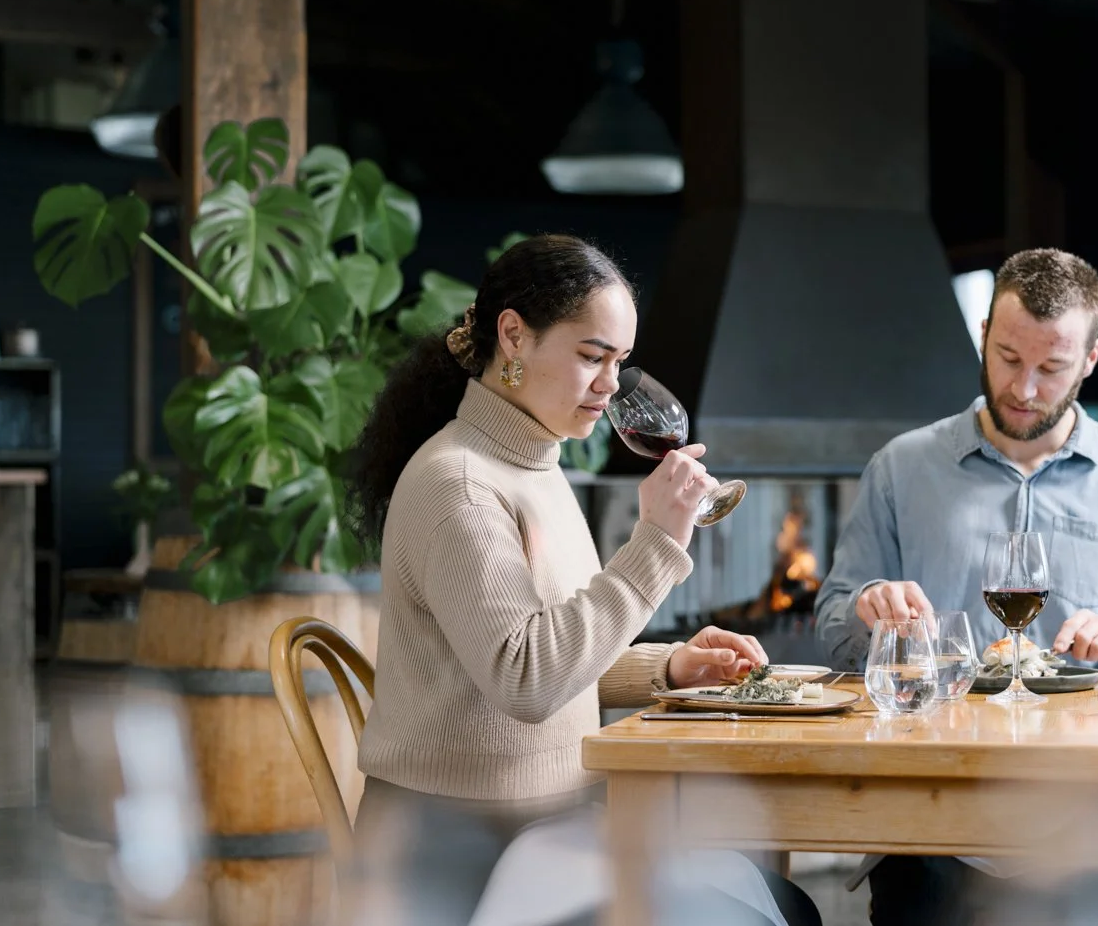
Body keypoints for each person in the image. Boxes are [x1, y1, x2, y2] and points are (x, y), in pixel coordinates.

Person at [347, 234, 821, 926]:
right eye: (591, 356)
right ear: (513, 335)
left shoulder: (535, 464)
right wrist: (656, 541)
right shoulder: (461, 485)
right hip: (465, 849)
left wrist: (670, 667)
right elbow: (528, 679)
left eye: (621, 361)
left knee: (789, 905)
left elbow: (553, 651)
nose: (610, 385)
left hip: (548, 827)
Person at [814, 247, 1098, 926]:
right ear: (984, 334)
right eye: (1008, 357)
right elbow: (832, 625)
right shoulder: (900, 468)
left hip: (1096, 820)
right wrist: (867, 607)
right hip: (927, 820)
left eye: (1052, 367)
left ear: (1089, 360)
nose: (1025, 388)